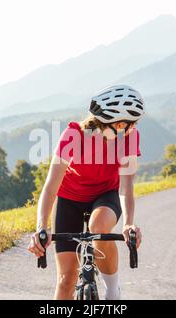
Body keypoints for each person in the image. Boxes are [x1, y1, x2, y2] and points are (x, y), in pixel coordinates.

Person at [27, 84, 144, 300]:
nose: (133, 128)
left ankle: (112, 290)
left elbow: (126, 186)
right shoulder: (73, 135)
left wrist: (128, 223)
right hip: (69, 199)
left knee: (98, 227)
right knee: (66, 280)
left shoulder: (130, 137)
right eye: (129, 124)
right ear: (117, 123)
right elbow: (51, 185)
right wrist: (41, 228)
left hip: (105, 195)